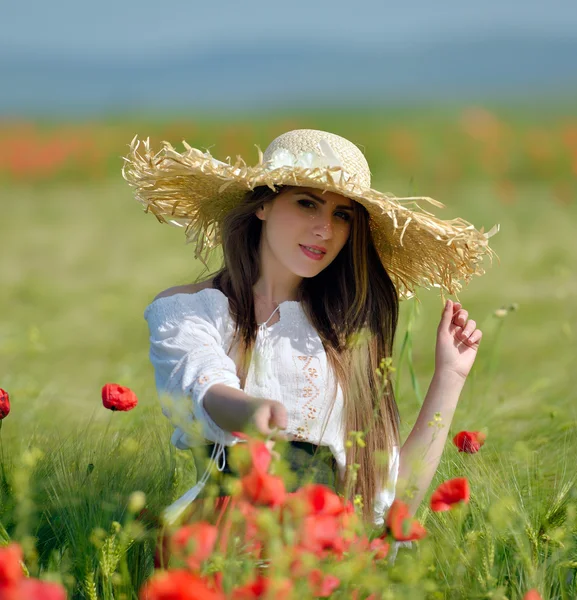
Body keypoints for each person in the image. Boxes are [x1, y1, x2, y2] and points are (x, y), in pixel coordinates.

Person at [123, 128, 497, 529]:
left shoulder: (346, 336)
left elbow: (388, 503)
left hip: (324, 564)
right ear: (262, 205)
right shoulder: (190, 310)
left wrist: (449, 377)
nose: (326, 229)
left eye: (342, 215)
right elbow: (201, 384)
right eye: (307, 204)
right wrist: (249, 411)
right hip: (222, 547)